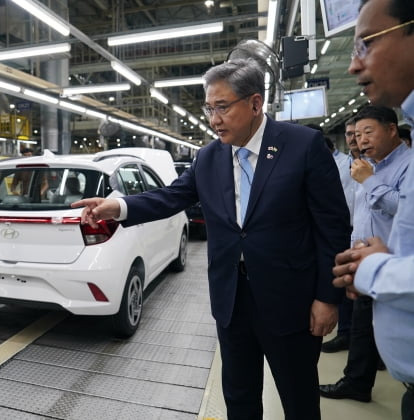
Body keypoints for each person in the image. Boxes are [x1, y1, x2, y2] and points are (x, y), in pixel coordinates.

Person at [73, 59, 350, 420]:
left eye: (222, 107)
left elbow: (333, 227)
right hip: (232, 300)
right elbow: (171, 197)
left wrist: (328, 298)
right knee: (239, 396)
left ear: (254, 103)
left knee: (298, 398)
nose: (213, 119)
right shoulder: (208, 157)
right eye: (209, 108)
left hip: (290, 301)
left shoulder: (302, 145)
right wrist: (118, 207)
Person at [332, 0, 414, 418]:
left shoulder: (389, 169)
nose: (353, 65)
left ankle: (358, 379)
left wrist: (374, 268)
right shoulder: (371, 166)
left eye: (366, 43)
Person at [321, 105, 410, 402]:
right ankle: (357, 382)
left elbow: (402, 207)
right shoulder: (365, 165)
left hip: (394, 266)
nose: (361, 140)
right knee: (362, 328)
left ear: (391, 129)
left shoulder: (407, 165)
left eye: (368, 132)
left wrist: (370, 181)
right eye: (357, 135)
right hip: (364, 264)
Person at [323, 118, 362, 353]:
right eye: (349, 134)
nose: (354, 139)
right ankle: (347, 334)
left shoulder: (365, 166)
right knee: (348, 286)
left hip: (365, 237)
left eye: (358, 133)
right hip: (348, 231)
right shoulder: (348, 164)